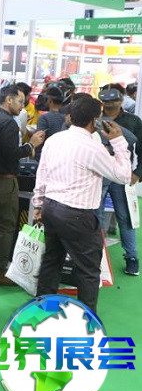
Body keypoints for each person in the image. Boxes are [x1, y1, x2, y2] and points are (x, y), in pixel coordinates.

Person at [34, 95, 132, 314]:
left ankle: (42, 312)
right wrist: (118, 141)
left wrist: (38, 204)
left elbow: (42, 173)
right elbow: (124, 175)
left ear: (71, 115)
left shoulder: (55, 139)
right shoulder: (92, 148)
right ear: (94, 120)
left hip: (51, 207)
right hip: (77, 215)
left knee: (52, 261)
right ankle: (87, 322)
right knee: (88, 270)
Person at [0, 85, 45, 285]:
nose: (23, 107)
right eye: (21, 102)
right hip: (5, 181)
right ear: (9, 100)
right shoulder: (8, 124)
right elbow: (11, 154)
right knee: (6, 225)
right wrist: (31, 145)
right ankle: (0, 271)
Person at [98, 86, 142, 276]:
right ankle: (98, 258)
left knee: (126, 217)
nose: (109, 103)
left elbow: (140, 147)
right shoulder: (95, 118)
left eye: (113, 100)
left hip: (122, 174)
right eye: (105, 100)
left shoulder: (133, 121)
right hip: (99, 173)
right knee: (96, 217)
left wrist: (138, 173)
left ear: (121, 100)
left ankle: (131, 258)